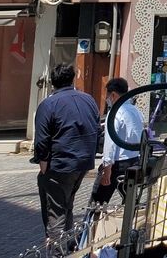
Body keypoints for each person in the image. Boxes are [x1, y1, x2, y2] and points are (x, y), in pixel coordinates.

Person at [31, 62, 101, 244]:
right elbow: (97, 130)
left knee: (56, 212)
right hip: (82, 163)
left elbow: (41, 140)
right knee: (67, 205)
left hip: (60, 164)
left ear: (53, 83)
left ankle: (59, 252)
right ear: (72, 78)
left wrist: (43, 165)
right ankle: (68, 247)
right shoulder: (88, 100)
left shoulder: (48, 104)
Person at [90, 78, 145, 206]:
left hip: (117, 165)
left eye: (108, 95)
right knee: (130, 201)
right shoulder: (135, 111)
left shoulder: (115, 113)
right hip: (133, 161)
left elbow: (110, 144)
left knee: (97, 203)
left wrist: (107, 170)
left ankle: (91, 224)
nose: (107, 99)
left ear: (113, 94)